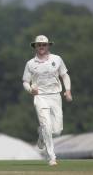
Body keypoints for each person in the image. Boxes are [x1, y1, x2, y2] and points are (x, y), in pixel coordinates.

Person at [22, 35, 72, 166]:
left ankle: (41, 134)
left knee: (57, 131)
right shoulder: (30, 64)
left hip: (55, 96)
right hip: (40, 97)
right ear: (35, 47)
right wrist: (30, 90)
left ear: (48, 46)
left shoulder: (57, 59)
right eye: (39, 45)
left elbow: (65, 75)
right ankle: (52, 157)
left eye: (44, 45)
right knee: (47, 126)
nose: (41, 47)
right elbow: (25, 82)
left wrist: (68, 90)